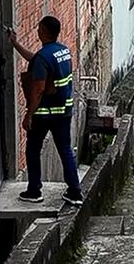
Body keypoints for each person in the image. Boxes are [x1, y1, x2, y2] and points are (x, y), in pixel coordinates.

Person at [7, 16, 83, 206]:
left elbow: (39, 89)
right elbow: (37, 60)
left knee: (32, 149)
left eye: (38, 28)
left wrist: (29, 115)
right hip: (64, 110)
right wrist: (15, 44)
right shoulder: (63, 52)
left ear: (43, 32)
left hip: (45, 113)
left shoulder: (44, 57)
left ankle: (34, 191)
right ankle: (75, 192)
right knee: (66, 151)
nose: (37, 31)